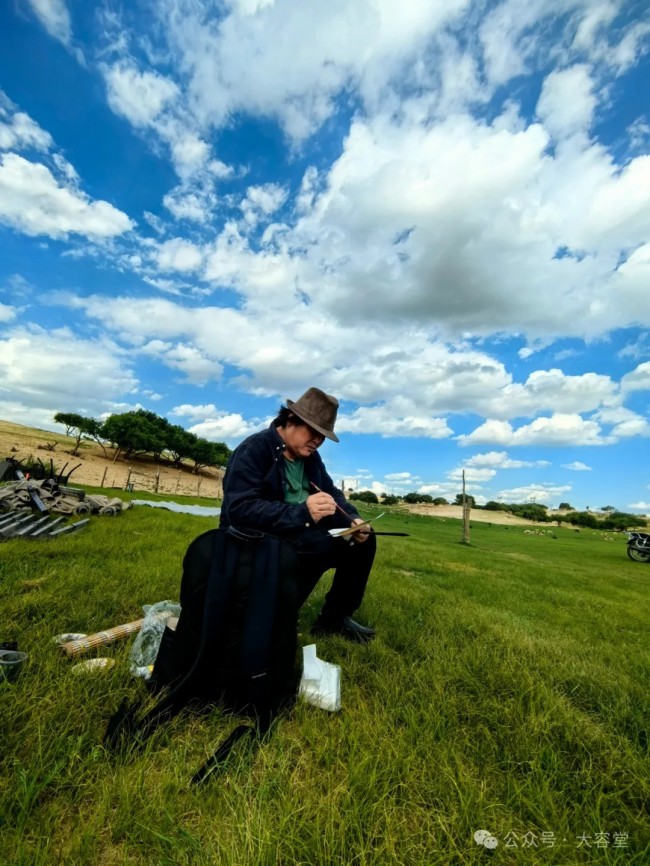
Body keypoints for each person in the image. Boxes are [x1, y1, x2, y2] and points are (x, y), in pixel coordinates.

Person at [220, 387, 377, 642]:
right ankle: (278, 617)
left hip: (296, 531)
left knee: (362, 542)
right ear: (291, 420)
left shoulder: (311, 459)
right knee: (319, 545)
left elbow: (332, 493)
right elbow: (239, 509)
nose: (317, 440)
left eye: (322, 436)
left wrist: (353, 520)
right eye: (312, 431)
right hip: (252, 538)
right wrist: (301, 512)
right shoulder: (254, 449)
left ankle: (333, 620)